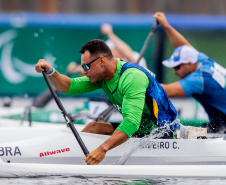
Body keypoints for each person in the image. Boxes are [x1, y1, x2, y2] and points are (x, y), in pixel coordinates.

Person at [35, 39, 178, 165]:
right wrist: (51, 72)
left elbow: (132, 123)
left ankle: (86, 158)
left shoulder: (132, 77)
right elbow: (69, 87)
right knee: (92, 127)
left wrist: (103, 149)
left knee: (105, 132)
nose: (83, 71)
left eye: (86, 66)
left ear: (102, 61)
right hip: (140, 129)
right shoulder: (103, 76)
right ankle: (73, 159)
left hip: (161, 133)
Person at [154, 12, 226, 133]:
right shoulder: (203, 60)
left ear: (190, 64)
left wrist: (132, 85)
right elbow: (183, 46)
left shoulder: (198, 80)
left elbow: (163, 92)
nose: (174, 72)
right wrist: (166, 25)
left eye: (177, 67)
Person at [66, 23, 147, 76]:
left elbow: (129, 55)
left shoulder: (135, 57)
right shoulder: (110, 65)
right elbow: (91, 74)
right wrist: (76, 69)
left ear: (116, 50)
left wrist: (110, 34)